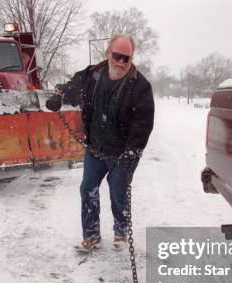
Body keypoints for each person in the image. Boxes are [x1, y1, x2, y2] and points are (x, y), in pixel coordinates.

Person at [45, 33, 155, 252]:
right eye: (117, 56)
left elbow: (143, 124)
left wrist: (132, 152)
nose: (121, 62)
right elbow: (71, 86)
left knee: (117, 192)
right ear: (107, 53)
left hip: (123, 154)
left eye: (127, 58)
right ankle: (92, 235)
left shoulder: (140, 86)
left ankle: (121, 231)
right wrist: (59, 95)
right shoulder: (92, 75)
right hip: (96, 148)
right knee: (88, 189)